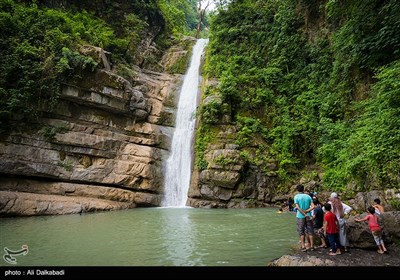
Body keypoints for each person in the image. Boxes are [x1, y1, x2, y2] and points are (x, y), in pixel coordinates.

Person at [294, 184, 315, 251]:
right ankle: (312, 246)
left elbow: (297, 207)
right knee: (310, 231)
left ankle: (303, 246)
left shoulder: (296, 196)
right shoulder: (308, 196)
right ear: (303, 189)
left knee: (301, 231)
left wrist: (303, 213)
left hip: (300, 216)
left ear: (297, 189)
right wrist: (306, 211)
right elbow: (313, 206)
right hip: (308, 215)